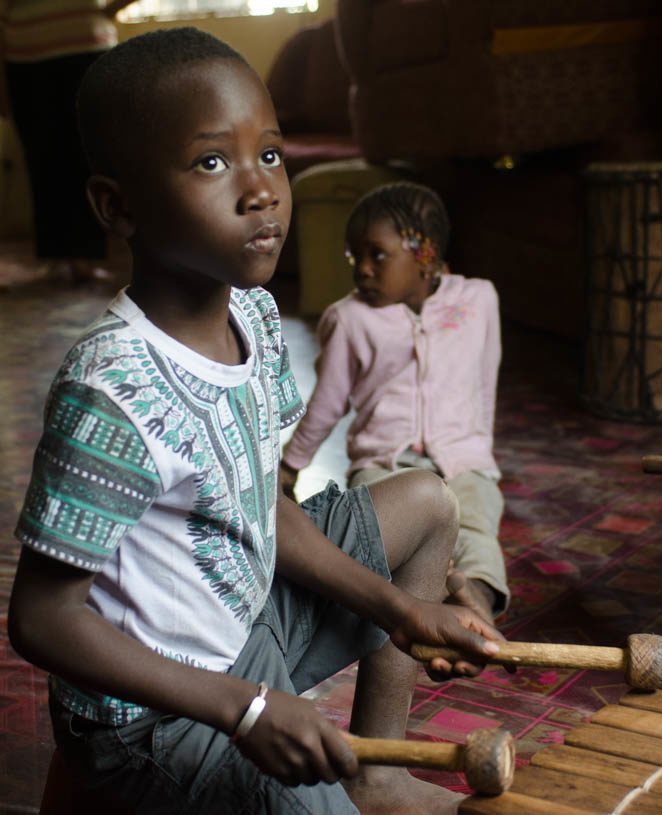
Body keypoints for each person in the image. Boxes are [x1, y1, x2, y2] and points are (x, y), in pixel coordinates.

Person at [7, 27, 502, 815]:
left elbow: (259, 505)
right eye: (212, 162)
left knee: (430, 502)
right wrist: (246, 706)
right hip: (159, 718)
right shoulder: (113, 387)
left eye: (268, 154)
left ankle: (376, 775)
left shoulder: (255, 317)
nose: (260, 189)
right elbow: (40, 617)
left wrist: (400, 609)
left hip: (246, 625)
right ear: (118, 205)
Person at [279, 182, 510, 627]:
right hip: (384, 461)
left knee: (478, 525)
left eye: (375, 255)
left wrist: (479, 450)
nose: (361, 269)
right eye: (354, 257)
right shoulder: (350, 319)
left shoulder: (478, 301)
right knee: (372, 531)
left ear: (425, 254)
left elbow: (486, 381)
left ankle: (474, 597)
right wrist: (292, 464)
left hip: (462, 457)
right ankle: (406, 605)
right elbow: (327, 402)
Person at [1, 0, 138, 283]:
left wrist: (109, 9)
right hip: (25, 58)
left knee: (89, 155)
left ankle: (87, 258)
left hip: (85, 48)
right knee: (42, 158)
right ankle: (57, 258)